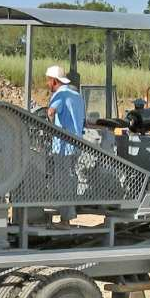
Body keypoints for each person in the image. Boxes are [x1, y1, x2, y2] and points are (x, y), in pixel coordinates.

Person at [46, 65, 86, 229]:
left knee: (62, 180)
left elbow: (50, 112)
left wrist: (50, 126)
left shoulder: (60, 94)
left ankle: (66, 219)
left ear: (54, 81)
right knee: (70, 178)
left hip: (62, 146)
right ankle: (67, 215)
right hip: (76, 145)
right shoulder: (77, 95)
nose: (47, 84)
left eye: (48, 80)